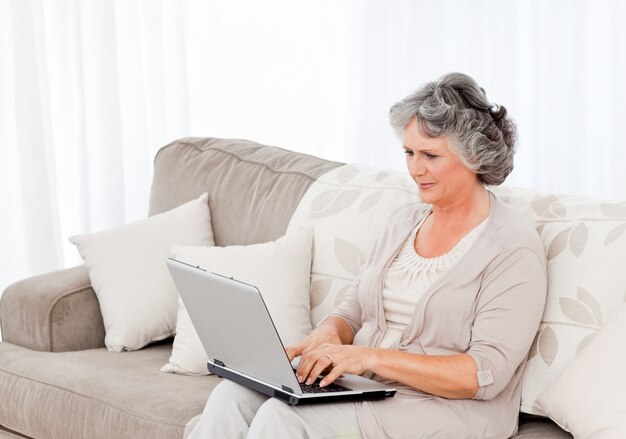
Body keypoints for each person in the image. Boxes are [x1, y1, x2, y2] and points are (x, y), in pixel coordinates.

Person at [188, 72, 547, 439]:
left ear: (474, 157)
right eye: (409, 152)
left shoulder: (512, 249)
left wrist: (368, 357)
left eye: (430, 155)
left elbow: (481, 374)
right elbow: (354, 310)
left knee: (282, 419)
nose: (415, 169)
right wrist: (328, 334)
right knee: (232, 395)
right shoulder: (404, 223)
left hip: (444, 410)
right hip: (368, 387)